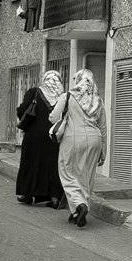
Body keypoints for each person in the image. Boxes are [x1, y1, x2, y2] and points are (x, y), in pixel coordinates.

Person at [49, 68, 106, 227]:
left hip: (73, 139)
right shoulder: (97, 100)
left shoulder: (67, 96)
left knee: (67, 173)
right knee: (86, 176)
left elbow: (53, 117)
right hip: (95, 140)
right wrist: (104, 152)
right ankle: (76, 212)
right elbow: (103, 127)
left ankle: (80, 205)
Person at [15, 70, 65, 207]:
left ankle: (26, 194)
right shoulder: (62, 96)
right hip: (54, 137)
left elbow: (22, 110)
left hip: (33, 136)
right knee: (53, 165)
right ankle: (54, 197)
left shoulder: (34, 92)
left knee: (30, 163)